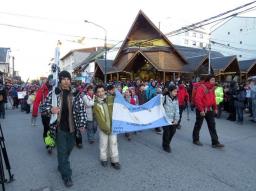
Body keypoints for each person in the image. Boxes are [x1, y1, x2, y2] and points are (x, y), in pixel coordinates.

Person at [42, 71, 87, 187]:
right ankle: (67, 176)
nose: (66, 81)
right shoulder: (53, 94)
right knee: (62, 151)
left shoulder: (75, 94)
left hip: (72, 128)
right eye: (64, 79)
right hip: (59, 128)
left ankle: (61, 164)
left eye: (68, 79)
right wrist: (51, 110)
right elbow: (43, 108)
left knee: (69, 149)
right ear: (60, 80)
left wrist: (82, 124)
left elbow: (81, 109)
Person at [192, 75, 224, 148]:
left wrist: (215, 108)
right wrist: (201, 110)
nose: (214, 81)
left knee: (212, 126)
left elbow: (213, 99)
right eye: (212, 80)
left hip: (209, 110)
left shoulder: (212, 88)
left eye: (214, 80)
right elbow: (197, 99)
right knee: (198, 125)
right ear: (208, 80)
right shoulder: (201, 87)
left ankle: (215, 142)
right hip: (202, 110)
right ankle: (195, 139)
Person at [93, 85, 121, 170]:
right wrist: (104, 128)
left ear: (105, 91)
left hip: (113, 126)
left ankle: (115, 160)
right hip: (103, 128)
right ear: (96, 93)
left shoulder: (111, 99)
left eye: (102, 91)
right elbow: (98, 118)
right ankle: (103, 158)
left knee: (113, 143)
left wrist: (117, 92)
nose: (100, 93)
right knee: (103, 144)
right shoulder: (95, 104)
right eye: (98, 91)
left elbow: (119, 102)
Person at [32, 75, 53, 152]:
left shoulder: (58, 87)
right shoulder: (43, 89)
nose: (52, 81)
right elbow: (37, 101)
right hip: (45, 113)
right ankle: (49, 144)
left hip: (56, 112)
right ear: (48, 80)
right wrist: (34, 113)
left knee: (56, 129)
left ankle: (54, 142)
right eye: (51, 79)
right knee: (47, 129)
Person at [162, 84, 179, 153]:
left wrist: (176, 119)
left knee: (173, 132)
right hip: (165, 119)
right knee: (167, 132)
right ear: (170, 91)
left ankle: (167, 143)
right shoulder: (164, 98)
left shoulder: (176, 99)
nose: (176, 93)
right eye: (174, 91)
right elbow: (159, 106)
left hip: (173, 119)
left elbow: (177, 110)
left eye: (176, 91)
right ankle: (166, 145)